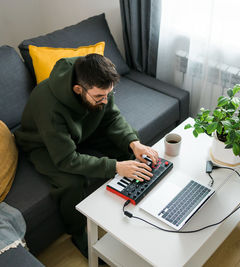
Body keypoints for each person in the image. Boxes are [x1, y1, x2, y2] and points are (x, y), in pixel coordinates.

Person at [14, 53, 159, 257]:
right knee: (71, 182)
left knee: (127, 148)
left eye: (108, 94)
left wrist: (134, 144)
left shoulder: (98, 85)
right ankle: (78, 232)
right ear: (78, 89)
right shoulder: (49, 107)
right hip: (42, 144)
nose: (105, 100)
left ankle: (132, 200)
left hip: (82, 131)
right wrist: (115, 167)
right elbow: (67, 159)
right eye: (100, 97)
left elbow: (111, 117)